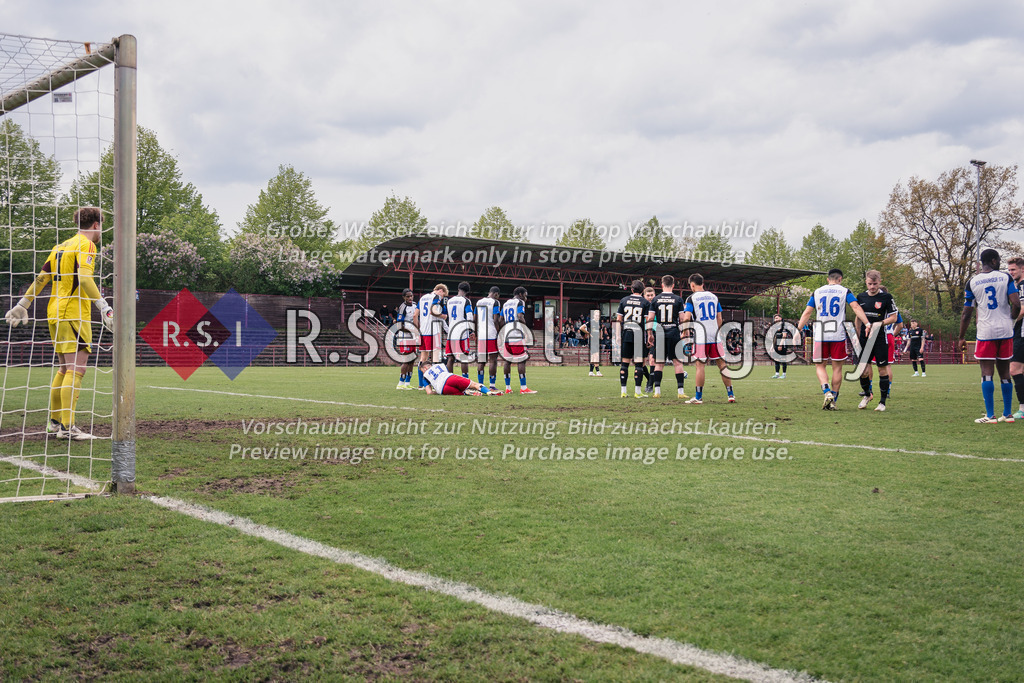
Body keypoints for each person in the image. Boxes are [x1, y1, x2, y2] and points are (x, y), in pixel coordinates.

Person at [4, 207, 114, 440]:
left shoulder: (60, 247)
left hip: (55, 313)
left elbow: (42, 277)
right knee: (77, 370)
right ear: (96, 225)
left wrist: (23, 304)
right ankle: (68, 428)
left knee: (64, 369)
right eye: (101, 226)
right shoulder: (87, 245)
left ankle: (55, 423)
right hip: (74, 313)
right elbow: (85, 279)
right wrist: (104, 307)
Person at [958, 248, 1021, 423]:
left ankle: (990, 415)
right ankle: (1007, 414)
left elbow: (966, 313)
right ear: (993, 261)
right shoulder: (1005, 277)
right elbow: (1016, 302)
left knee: (986, 372)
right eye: (998, 259)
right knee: (1005, 372)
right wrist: (1012, 317)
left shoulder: (972, 282)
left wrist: (961, 337)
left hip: (986, 331)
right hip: (1006, 330)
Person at [795, 268, 871, 410]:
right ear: (840, 279)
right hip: (838, 334)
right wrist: (867, 323)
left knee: (820, 366)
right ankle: (833, 400)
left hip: (820, 335)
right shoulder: (845, 291)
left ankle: (826, 391)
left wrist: (798, 330)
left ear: (828, 279)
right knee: (837, 368)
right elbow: (855, 307)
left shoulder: (817, 292)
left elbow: (808, 312)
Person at [682, 273, 734, 404]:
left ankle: (698, 397)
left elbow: (687, 317)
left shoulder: (691, 298)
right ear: (702, 283)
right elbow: (720, 318)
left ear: (692, 285)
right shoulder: (714, 297)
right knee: (722, 364)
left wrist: (685, 331)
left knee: (700, 365)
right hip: (714, 335)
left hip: (701, 336)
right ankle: (730, 394)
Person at [854, 273, 900, 412]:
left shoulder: (886, 297)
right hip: (864, 338)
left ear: (879, 282)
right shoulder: (861, 297)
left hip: (880, 337)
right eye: (870, 284)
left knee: (882, 369)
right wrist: (857, 334)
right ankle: (867, 395)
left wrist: (879, 324)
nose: (872, 287)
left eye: (875, 284)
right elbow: (858, 317)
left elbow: (893, 317)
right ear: (866, 283)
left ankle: (882, 402)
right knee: (863, 371)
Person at [646, 274, 688, 398]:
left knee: (659, 364)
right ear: (673, 285)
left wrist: (649, 334)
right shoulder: (678, 299)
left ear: (662, 285)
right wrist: (684, 333)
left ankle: (657, 392)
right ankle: (680, 392)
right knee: (678, 363)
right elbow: (682, 319)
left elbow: (650, 318)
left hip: (659, 333)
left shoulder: (656, 299)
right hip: (674, 332)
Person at [616, 280, 650, 398]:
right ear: (642, 291)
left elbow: (619, 319)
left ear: (631, 290)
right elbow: (647, 321)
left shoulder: (624, 300)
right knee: (639, 364)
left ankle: (623, 392)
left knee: (624, 364)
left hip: (627, 334)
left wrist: (617, 335)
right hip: (639, 335)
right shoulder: (645, 302)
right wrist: (650, 335)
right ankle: (637, 392)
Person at [501, 286, 537, 394]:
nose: (526, 298)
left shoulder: (505, 303)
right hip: (516, 334)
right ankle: (524, 387)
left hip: (506, 334)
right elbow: (520, 316)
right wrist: (526, 330)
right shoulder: (520, 302)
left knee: (507, 361)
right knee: (521, 360)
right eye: (525, 295)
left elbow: (500, 319)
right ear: (521, 294)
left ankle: (508, 388)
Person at [417, 284, 449, 389]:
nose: (442, 298)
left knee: (423, 358)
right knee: (435, 358)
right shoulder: (436, 297)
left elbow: (415, 314)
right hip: (433, 330)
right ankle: (434, 384)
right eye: (443, 295)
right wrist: (442, 315)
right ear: (440, 291)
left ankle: (421, 384)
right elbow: (433, 311)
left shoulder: (422, 298)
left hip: (423, 330)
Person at [475, 286, 503, 392]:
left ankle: (480, 386)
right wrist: (499, 333)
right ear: (496, 294)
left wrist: (476, 333)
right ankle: (491, 385)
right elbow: (496, 320)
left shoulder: (478, 302)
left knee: (481, 361)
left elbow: (475, 319)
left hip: (481, 334)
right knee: (492, 361)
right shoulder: (495, 302)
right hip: (491, 334)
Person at [445, 282, 474, 378]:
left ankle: (449, 380)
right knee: (464, 358)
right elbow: (469, 317)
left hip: (451, 333)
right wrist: (471, 331)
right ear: (467, 291)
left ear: (458, 289)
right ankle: (465, 381)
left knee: (450, 358)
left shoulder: (449, 301)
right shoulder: (466, 301)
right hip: (462, 334)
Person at [1008, 256, 1024, 419]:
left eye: (1013, 269)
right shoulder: (1017, 286)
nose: (1011, 272)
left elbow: (1022, 309)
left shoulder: (1022, 286)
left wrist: (1008, 320)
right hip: (1019, 332)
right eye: (1009, 270)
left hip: (1022, 333)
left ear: (1022, 269)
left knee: (1014, 369)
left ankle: (1022, 409)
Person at [421, 362, 498, 396]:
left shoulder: (425, 376)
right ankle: (488, 392)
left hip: (442, 389)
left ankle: (471, 393)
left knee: (463, 393)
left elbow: (429, 392)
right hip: (449, 378)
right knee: (474, 384)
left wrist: (436, 392)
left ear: (425, 368)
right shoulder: (440, 365)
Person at [394, 289, 419, 390]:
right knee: (406, 360)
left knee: (412, 359)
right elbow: (399, 324)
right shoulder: (402, 307)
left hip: (413, 336)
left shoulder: (415, 305)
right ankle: (400, 383)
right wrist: (411, 331)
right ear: (404, 297)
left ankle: (407, 383)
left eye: (411, 296)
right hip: (404, 336)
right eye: (408, 296)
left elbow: (417, 318)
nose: (410, 298)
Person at [771, 314, 792, 378]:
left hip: (783, 345)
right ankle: (777, 374)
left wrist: (780, 345)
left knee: (783, 360)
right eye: (775, 318)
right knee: (776, 360)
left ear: (780, 318)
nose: (775, 320)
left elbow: (784, 336)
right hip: (776, 344)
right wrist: (772, 346)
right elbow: (774, 337)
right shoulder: (775, 327)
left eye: (777, 318)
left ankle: (784, 374)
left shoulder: (784, 325)